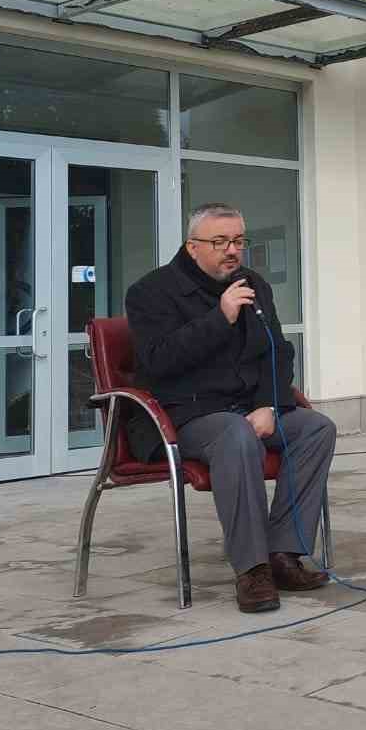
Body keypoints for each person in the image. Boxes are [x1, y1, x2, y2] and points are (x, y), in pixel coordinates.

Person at [126, 203, 337, 613]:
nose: (232, 251)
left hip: (246, 408)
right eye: (219, 242)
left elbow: (277, 353)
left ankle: (284, 554)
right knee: (235, 435)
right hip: (183, 415)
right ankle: (252, 568)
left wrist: (267, 406)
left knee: (316, 428)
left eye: (239, 241)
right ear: (192, 247)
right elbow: (158, 361)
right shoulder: (151, 292)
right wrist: (219, 317)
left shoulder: (252, 283)